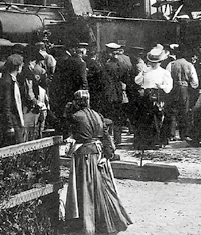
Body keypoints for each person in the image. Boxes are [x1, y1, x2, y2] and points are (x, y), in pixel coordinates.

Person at [64, 90, 132, 234]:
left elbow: (73, 134)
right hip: (99, 154)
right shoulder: (98, 115)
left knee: (86, 189)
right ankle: (107, 221)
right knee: (102, 187)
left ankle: (88, 225)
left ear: (77, 102)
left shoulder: (75, 117)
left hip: (85, 155)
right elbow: (107, 137)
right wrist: (108, 154)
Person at [132, 46, 174, 149]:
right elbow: (137, 81)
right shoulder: (146, 70)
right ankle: (143, 142)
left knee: (156, 119)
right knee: (144, 119)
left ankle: (155, 141)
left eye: (156, 62)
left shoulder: (164, 72)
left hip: (157, 96)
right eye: (152, 62)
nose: (154, 64)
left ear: (160, 62)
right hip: (146, 96)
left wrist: (162, 86)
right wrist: (142, 73)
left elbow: (169, 86)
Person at [0, 54, 26, 148]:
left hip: (9, 121)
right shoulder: (8, 82)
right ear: (17, 67)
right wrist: (9, 126)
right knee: (18, 147)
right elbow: (6, 105)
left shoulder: (8, 79)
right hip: (11, 121)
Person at [169, 47, 199, 141]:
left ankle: (172, 134)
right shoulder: (189, 65)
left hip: (173, 88)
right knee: (184, 111)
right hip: (184, 89)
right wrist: (192, 86)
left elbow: (167, 76)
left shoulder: (171, 64)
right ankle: (183, 134)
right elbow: (194, 81)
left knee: (173, 111)